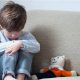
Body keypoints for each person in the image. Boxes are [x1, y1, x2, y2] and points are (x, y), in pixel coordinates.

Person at [0, 1, 40, 80]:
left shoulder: (26, 35)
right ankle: (8, 76)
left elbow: (37, 47)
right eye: (9, 32)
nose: (13, 35)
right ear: (1, 26)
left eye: (17, 31)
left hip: (23, 73)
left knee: (26, 51)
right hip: (3, 72)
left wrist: (20, 44)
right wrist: (12, 44)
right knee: (10, 50)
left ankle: (20, 77)